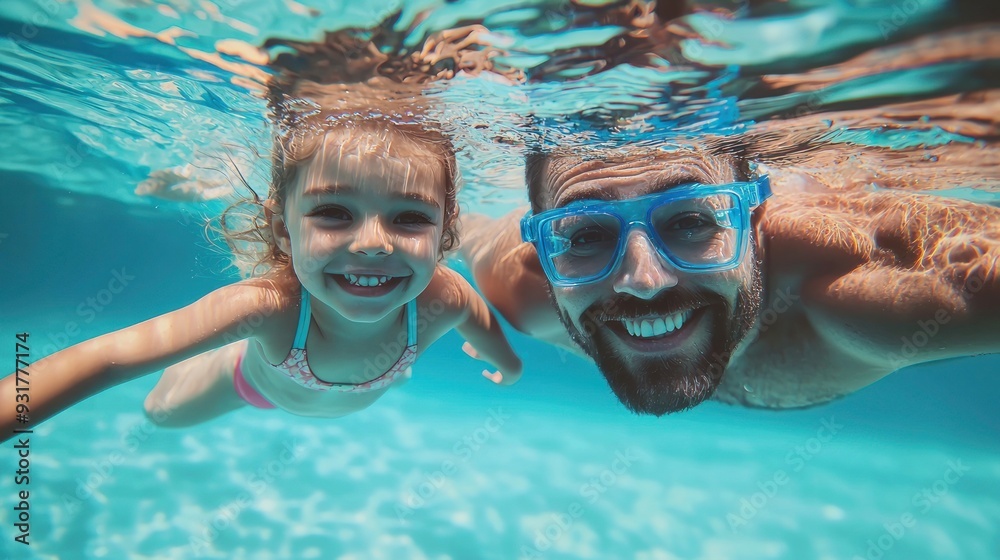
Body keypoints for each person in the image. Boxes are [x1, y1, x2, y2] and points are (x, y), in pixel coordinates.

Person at [0, 114, 522, 437]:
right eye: (334, 211)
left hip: (354, 385)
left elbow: (479, 320)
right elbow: (103, 361)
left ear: (445, 235)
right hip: (255, 383)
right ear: (283, 230)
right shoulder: (268, 308)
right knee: (158, 412)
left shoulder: (443, 298)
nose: (373, 243)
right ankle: (218, 342)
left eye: (410, 217)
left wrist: (508, 363)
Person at [460, 146, 999, 415]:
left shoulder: (869, 293)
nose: (643, 281)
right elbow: (452, 224)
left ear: (755, 218)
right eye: (583, 237)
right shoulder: (519, 290)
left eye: (691, 222)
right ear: (541, 245)